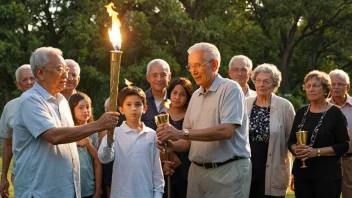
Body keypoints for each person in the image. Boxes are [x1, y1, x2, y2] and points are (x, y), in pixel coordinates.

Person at [12, 47, 119, 197]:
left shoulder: (62, 101)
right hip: (40, 191)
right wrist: (98, 125)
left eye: (66, 70)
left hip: (66, 190)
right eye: (60, 69)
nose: (66, 75)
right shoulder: (30, 100)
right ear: (40, 73)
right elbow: (53, 136)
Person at [156, 42, 251, 198]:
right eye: (190, 66)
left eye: (198, 65)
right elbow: (187, 141)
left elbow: (226, 131)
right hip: (196, 174)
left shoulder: (231, 89)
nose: (193, 71)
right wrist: (171, 144)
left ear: (214, 64)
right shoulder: (195, 96)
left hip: (227, 172)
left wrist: (180, 134)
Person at [287, 70, 349, 198]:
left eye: (315, 86)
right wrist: (296, 149)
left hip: (327, 176)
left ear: (326, 90)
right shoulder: (301, 112)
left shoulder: (335, 113)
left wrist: (316, 152)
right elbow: (291, 141)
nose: (311, 89)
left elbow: (344, 145)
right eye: (308, 86)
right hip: (302, 174)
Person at [98, 86, 164, 198]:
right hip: (121, 193)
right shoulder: (115, 133)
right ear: (121, 109)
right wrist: (109, 141)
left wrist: (158, 194)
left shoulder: (152, 134)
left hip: (145, 193)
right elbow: (104, 158)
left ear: (145, 108)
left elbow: (157, 170)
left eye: (138, 104)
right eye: (128, 104)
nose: (133, 108)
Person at [246, 63, 295, 198]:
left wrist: (296, 171)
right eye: (258, 80)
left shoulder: (285, 106)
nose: (261, 84)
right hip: (247, 168)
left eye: (266, 81)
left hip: (274, 169)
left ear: (274, 85)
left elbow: (294, 140)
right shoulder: (245, 103)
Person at [0, 64, 35, 198]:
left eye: (32, 78)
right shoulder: (10, 107)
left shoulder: (50, 103)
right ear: (17, 84)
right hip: (21, 175)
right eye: (24, 80)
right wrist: (4, 177)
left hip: (47, 175)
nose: (29, 82)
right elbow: (8, 144)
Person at [161, 77, 194, 198]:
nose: (177, 97)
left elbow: (189, 141)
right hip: (166, 166)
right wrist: (163, 160)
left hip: (187, 167)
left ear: (187, 97)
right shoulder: (162, 116)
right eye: (174, 93)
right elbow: (156, 143)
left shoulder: (191, 116)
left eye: (182, 94)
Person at [69, 92, 102, 198]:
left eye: (88, 107)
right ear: (72, 110)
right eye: (80, 108)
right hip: (69, 188)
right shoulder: (66, 131)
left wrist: (97, 191)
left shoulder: (93, 131)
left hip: (88, 188)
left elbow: (97, 161)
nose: (85, 111)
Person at [328, 69, 352, 198]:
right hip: (328, 162)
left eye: (340, 84)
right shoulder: (322, 107)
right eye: (333, 84)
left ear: (347, 87)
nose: (336, 87)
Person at [143, 59, 172, 130]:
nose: (159, 79)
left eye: (163, 75)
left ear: (169, 77)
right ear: (148, 77)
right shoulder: (140, 100)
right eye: (154, 75)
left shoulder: (177, 99)